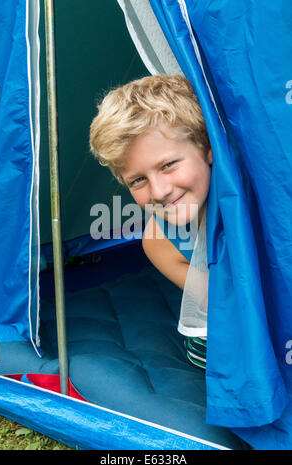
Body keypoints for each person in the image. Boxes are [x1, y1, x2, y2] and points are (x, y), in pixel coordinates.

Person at [89, 74, 212, 370]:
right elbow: (226, 305)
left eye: (168, 165)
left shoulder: (259, 208)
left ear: (208, 148)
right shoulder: (159, 241)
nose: (159, 192)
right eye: (138, 180)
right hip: (218, 346)